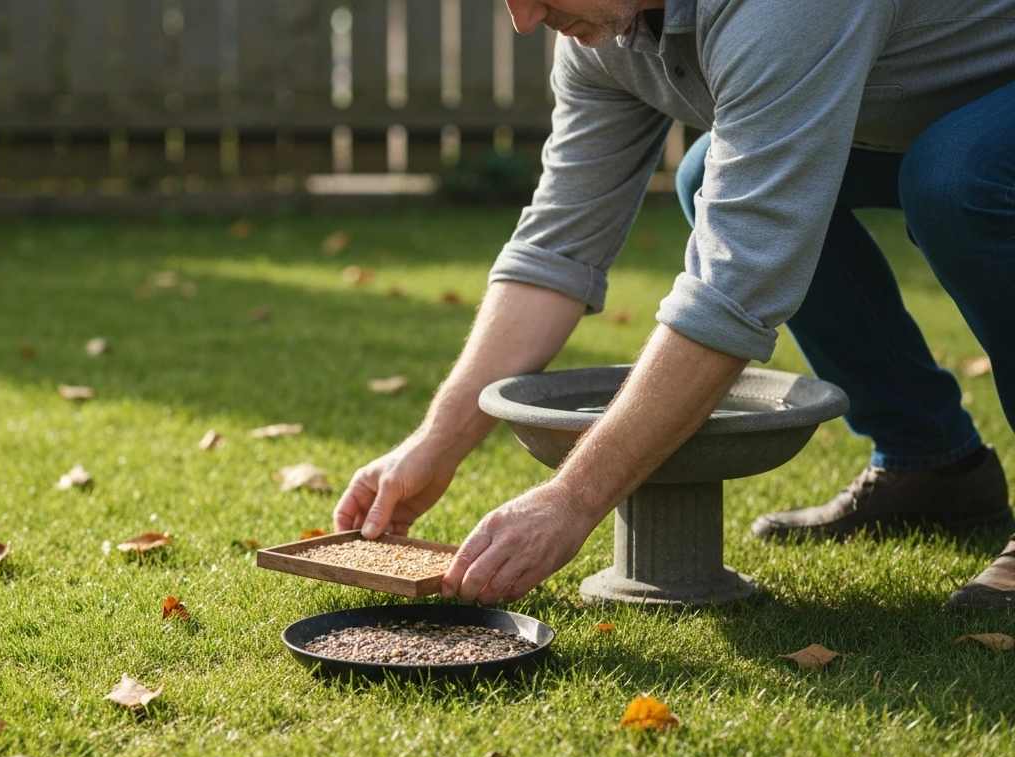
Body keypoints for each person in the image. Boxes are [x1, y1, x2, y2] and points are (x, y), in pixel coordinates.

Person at [332, 0, 1015, 608]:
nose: (522, 17)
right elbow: (556, 249)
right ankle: (931, 466)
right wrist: (435, 442)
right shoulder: (605, 40)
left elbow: (736, 285)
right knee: (704, 175)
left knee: (958, 181)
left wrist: (570, 502)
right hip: (930, 107)